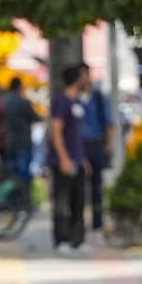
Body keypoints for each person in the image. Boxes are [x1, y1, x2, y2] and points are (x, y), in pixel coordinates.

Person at [49, 63, 90, 253]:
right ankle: (61, 240)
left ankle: (77, 239)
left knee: (78, 201)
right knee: (62, 202)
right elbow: (56, 131)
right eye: (83, 77)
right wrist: (64, 158)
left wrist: (82, 159)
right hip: (63, 162)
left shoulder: (78, 103)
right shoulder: (61, 102)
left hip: (78, 160)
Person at [80, 77, 114, 232]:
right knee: (79, 187)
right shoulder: (76, 98)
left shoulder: (99, 97)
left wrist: (109, 143)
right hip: (79, 147)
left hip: (96, 145)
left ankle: (97, 222)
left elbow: (108, 122)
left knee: (97, 187)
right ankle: (79, 223)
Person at [1, 76, 41, 184]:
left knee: (11, 173)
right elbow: (35, 117)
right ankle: (22, 198)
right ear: (19, 86)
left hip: (9, 141)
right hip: (22, 141)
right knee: (23, 174)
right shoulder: (21, 102)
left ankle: (13, 198)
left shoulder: (4, 101)